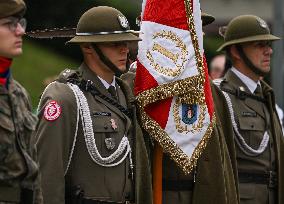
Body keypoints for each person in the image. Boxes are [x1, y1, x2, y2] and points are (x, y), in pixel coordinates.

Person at [35, 6, 152, 204]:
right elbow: (48, 177)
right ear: (88, 47)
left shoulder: (125, 95)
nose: (124, 49)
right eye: (114, 43)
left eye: (125, 41)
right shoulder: (65, 97)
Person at [121, 12, 239, 204]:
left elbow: (225, 164)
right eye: (186, 30)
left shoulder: (211, 92)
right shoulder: (132, 86)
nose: (195, 38)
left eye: (197, 31)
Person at [216, 15, 284, 204]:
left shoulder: (265, 96)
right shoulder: (221, 97)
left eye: (268, 45)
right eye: (259, 45)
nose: (269, 51)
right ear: (236, 51)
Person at [0, 1, 41, 203]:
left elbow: (35, 175)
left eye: (20, 23)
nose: (21, 31)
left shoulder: (18, 93)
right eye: (10, 24)